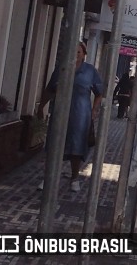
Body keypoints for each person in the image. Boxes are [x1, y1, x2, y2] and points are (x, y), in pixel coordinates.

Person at [36, 42, 103, 192]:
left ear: (84, 54)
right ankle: (48, 178)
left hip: (81, 114)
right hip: (60, 111)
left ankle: (74, 178)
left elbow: (99, 93)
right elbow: (50, 89)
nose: (75, 55)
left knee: (77, 147)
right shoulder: (62, 68)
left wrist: (94, 111)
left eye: (78, 52)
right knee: (54, 144)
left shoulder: (90, 71)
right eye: (73, 52)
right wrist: (41, 107)